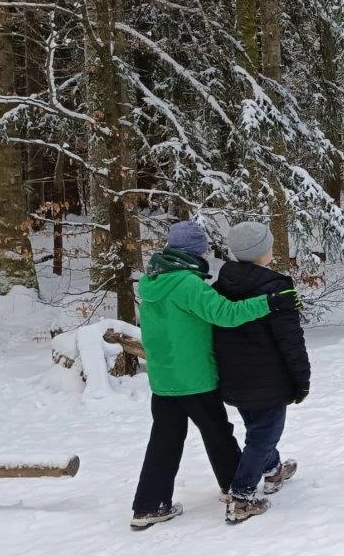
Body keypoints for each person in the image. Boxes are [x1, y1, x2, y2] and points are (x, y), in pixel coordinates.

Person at [131, 220, 300, 530]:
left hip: (164, 379)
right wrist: (270, 302)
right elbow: (226, 314)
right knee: (218, 433)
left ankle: (148, 505)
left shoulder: (152, 282)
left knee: (164, 441)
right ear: (196, 251)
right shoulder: (187, 284)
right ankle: (234, 489)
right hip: (194, 377)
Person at [212, 222, 311, 524]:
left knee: (258, 430)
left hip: (236, 379)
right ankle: (242, 497)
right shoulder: (277, 288)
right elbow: (290, 340)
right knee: (263, 435)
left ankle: (273, 470)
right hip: (270, 380)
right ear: (261, 252)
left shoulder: (220, 287)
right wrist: (302, 378)